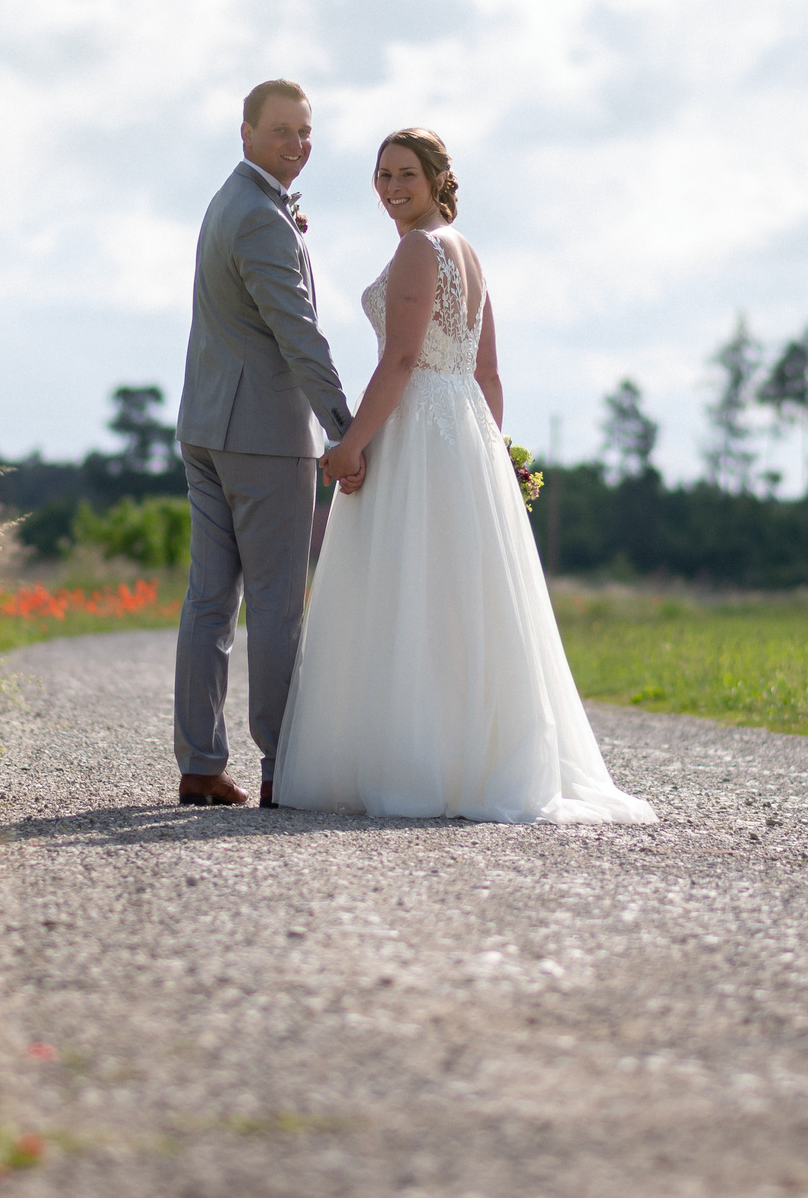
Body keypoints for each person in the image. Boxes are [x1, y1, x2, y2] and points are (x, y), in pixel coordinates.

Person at [274, 128, 655, 824]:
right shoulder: (468, 251)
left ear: (438, 178)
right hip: (463, 432)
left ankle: (421, 764)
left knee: (410, 591)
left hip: (419, 430)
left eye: (407, 175)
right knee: (452, 601)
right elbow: (486, 373)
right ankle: (458, 756)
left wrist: (351, 446)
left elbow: (401, 362)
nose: (392, 188)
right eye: (382, 174)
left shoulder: (421, 248)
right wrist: (492, 453)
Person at [171, 80, 354, 808]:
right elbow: (298, 333)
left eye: (305, 133)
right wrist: (345, 428)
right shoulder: (261, 218)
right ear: (244, 131)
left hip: (206, 425)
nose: (296, 145)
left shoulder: (228, 202)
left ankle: (200, 762)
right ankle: (283, 762)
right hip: (265, 436)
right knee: (276, 601)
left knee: (210, 601)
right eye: (281, 131)